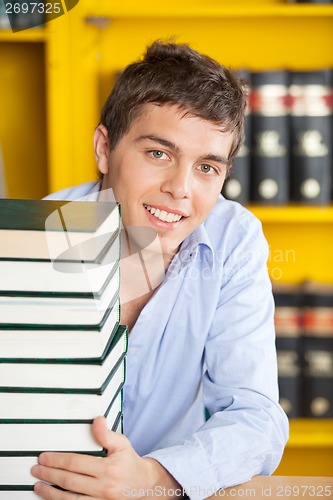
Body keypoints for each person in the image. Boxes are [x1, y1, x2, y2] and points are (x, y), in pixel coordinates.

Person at [31, 40, 289, 500]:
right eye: (159, 154)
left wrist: (153, 478)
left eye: (207, 167)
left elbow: (257, 419)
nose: (180, 190)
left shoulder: (234, 240)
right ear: (105, 149)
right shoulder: (34, 238)